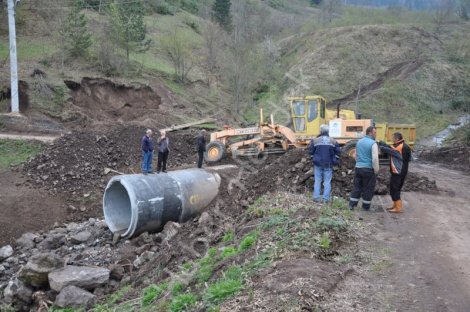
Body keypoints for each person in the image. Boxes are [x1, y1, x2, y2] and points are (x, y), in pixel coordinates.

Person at [378, 132, 412, 213]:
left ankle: (398, 208)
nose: (392, 139)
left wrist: (382, 146)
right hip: (402, 171)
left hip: (398, 172)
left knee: (395, 188)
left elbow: (391, 150)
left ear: (396, 139)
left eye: (393, 138)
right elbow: (393, 149)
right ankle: (395, 205)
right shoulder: (404, 145)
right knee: (396, 188)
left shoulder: (400, 147)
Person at [349, 126, 379, 211]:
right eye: (375, 132)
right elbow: (375, 159)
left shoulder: (359, 142)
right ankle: (365, 207)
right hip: (368, 169)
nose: (375, 134)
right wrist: (376, 170)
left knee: (357, 187)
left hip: (358, 168)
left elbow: (355, 155)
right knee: (368, 188)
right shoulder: (373, 143)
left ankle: (352, 205)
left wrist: (359, 163)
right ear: (370, 133)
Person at [309, 124, 341, 203]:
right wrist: (334, 160)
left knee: (317, 181)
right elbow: (338, 152)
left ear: (320, 131)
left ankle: (316, 198)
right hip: (328, 164)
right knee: (327, 182)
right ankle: (325, 199)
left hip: (317, 164)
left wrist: (313, 158)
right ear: (328, 131)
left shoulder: (315, 140)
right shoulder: (333, 141)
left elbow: (310, 151)